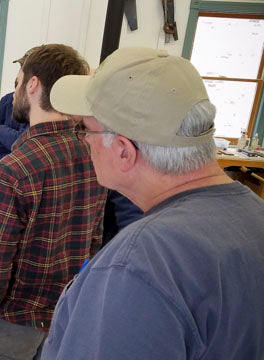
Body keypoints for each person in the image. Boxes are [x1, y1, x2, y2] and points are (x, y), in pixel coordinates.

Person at [43, 47, 264, 359]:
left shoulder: (136, 267)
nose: (84, 141)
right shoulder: (255, 216)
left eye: (84, 130)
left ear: (123, 151)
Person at [0, 44, 107, 359]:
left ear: (32, 85)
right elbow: (93, 243)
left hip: (12, 324)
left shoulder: (12, 170)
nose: (15, 90)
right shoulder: (94, 155)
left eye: (18, 82)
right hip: (65, 319)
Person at [0, 47, 40, 162]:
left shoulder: (41, 107)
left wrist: (0, 129)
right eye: (21, 68)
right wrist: (12, 140)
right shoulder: (7, 100)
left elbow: (24, 144)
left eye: (24, 70)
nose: (20, 73)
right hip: (2, 170)